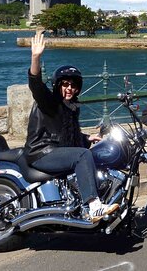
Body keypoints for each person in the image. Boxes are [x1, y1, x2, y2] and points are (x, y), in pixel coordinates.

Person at [25, 31, 118, 222]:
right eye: (65, 84)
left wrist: (86, 138)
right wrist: (36, 57)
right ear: (58, 85)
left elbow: (63, 133)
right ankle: (93, 206)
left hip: (55, 149)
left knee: (89, 151)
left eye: (73, 85)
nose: (69, 88)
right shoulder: (50, 102)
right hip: (42, 151)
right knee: (83, 155)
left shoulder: (71, 107)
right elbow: (36, 86)